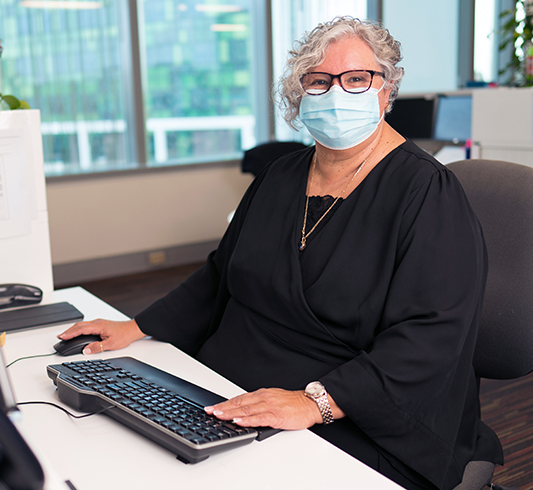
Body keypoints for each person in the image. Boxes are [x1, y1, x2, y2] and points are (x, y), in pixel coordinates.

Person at [59, 16, 503, 490]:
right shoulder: (279, 176)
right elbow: (221, 275)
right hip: (227, 388)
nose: (337, 93)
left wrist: (316, 402)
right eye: (319, 81)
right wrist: (136, 327)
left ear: (386, 88)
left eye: (356, 79)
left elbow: (433, 335)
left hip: (352, 413)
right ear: (300, 93)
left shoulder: (427, 193)